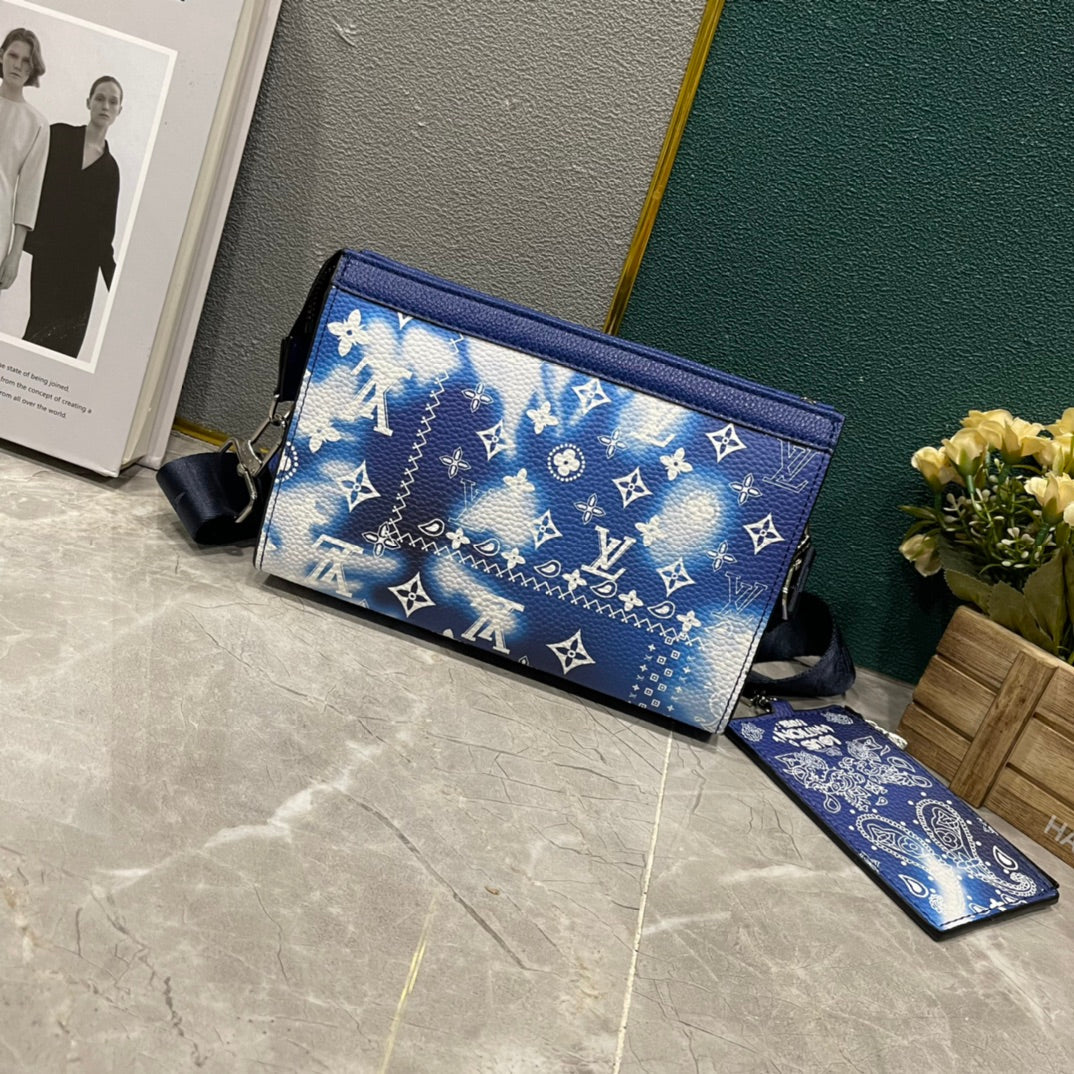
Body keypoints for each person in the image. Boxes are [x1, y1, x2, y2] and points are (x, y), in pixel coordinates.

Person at [24, 75, 123, 357]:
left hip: (83, 274)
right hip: (49, 260)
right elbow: (27, 182)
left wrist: (115, 287)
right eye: (100, 98)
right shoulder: (58, 136)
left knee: (65, 351)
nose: (105, 105)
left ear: (119, 110)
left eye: (112, 101)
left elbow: (104, 237)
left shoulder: (111, 170)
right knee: (35, 337)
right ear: (88, 102)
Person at [0, 28, 48, 294]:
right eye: (13, 55)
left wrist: (15, 255)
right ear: (1, 56)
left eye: (26, 60)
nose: (17, 65)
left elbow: (29, 194)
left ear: (33, 67)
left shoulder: (37, 124)